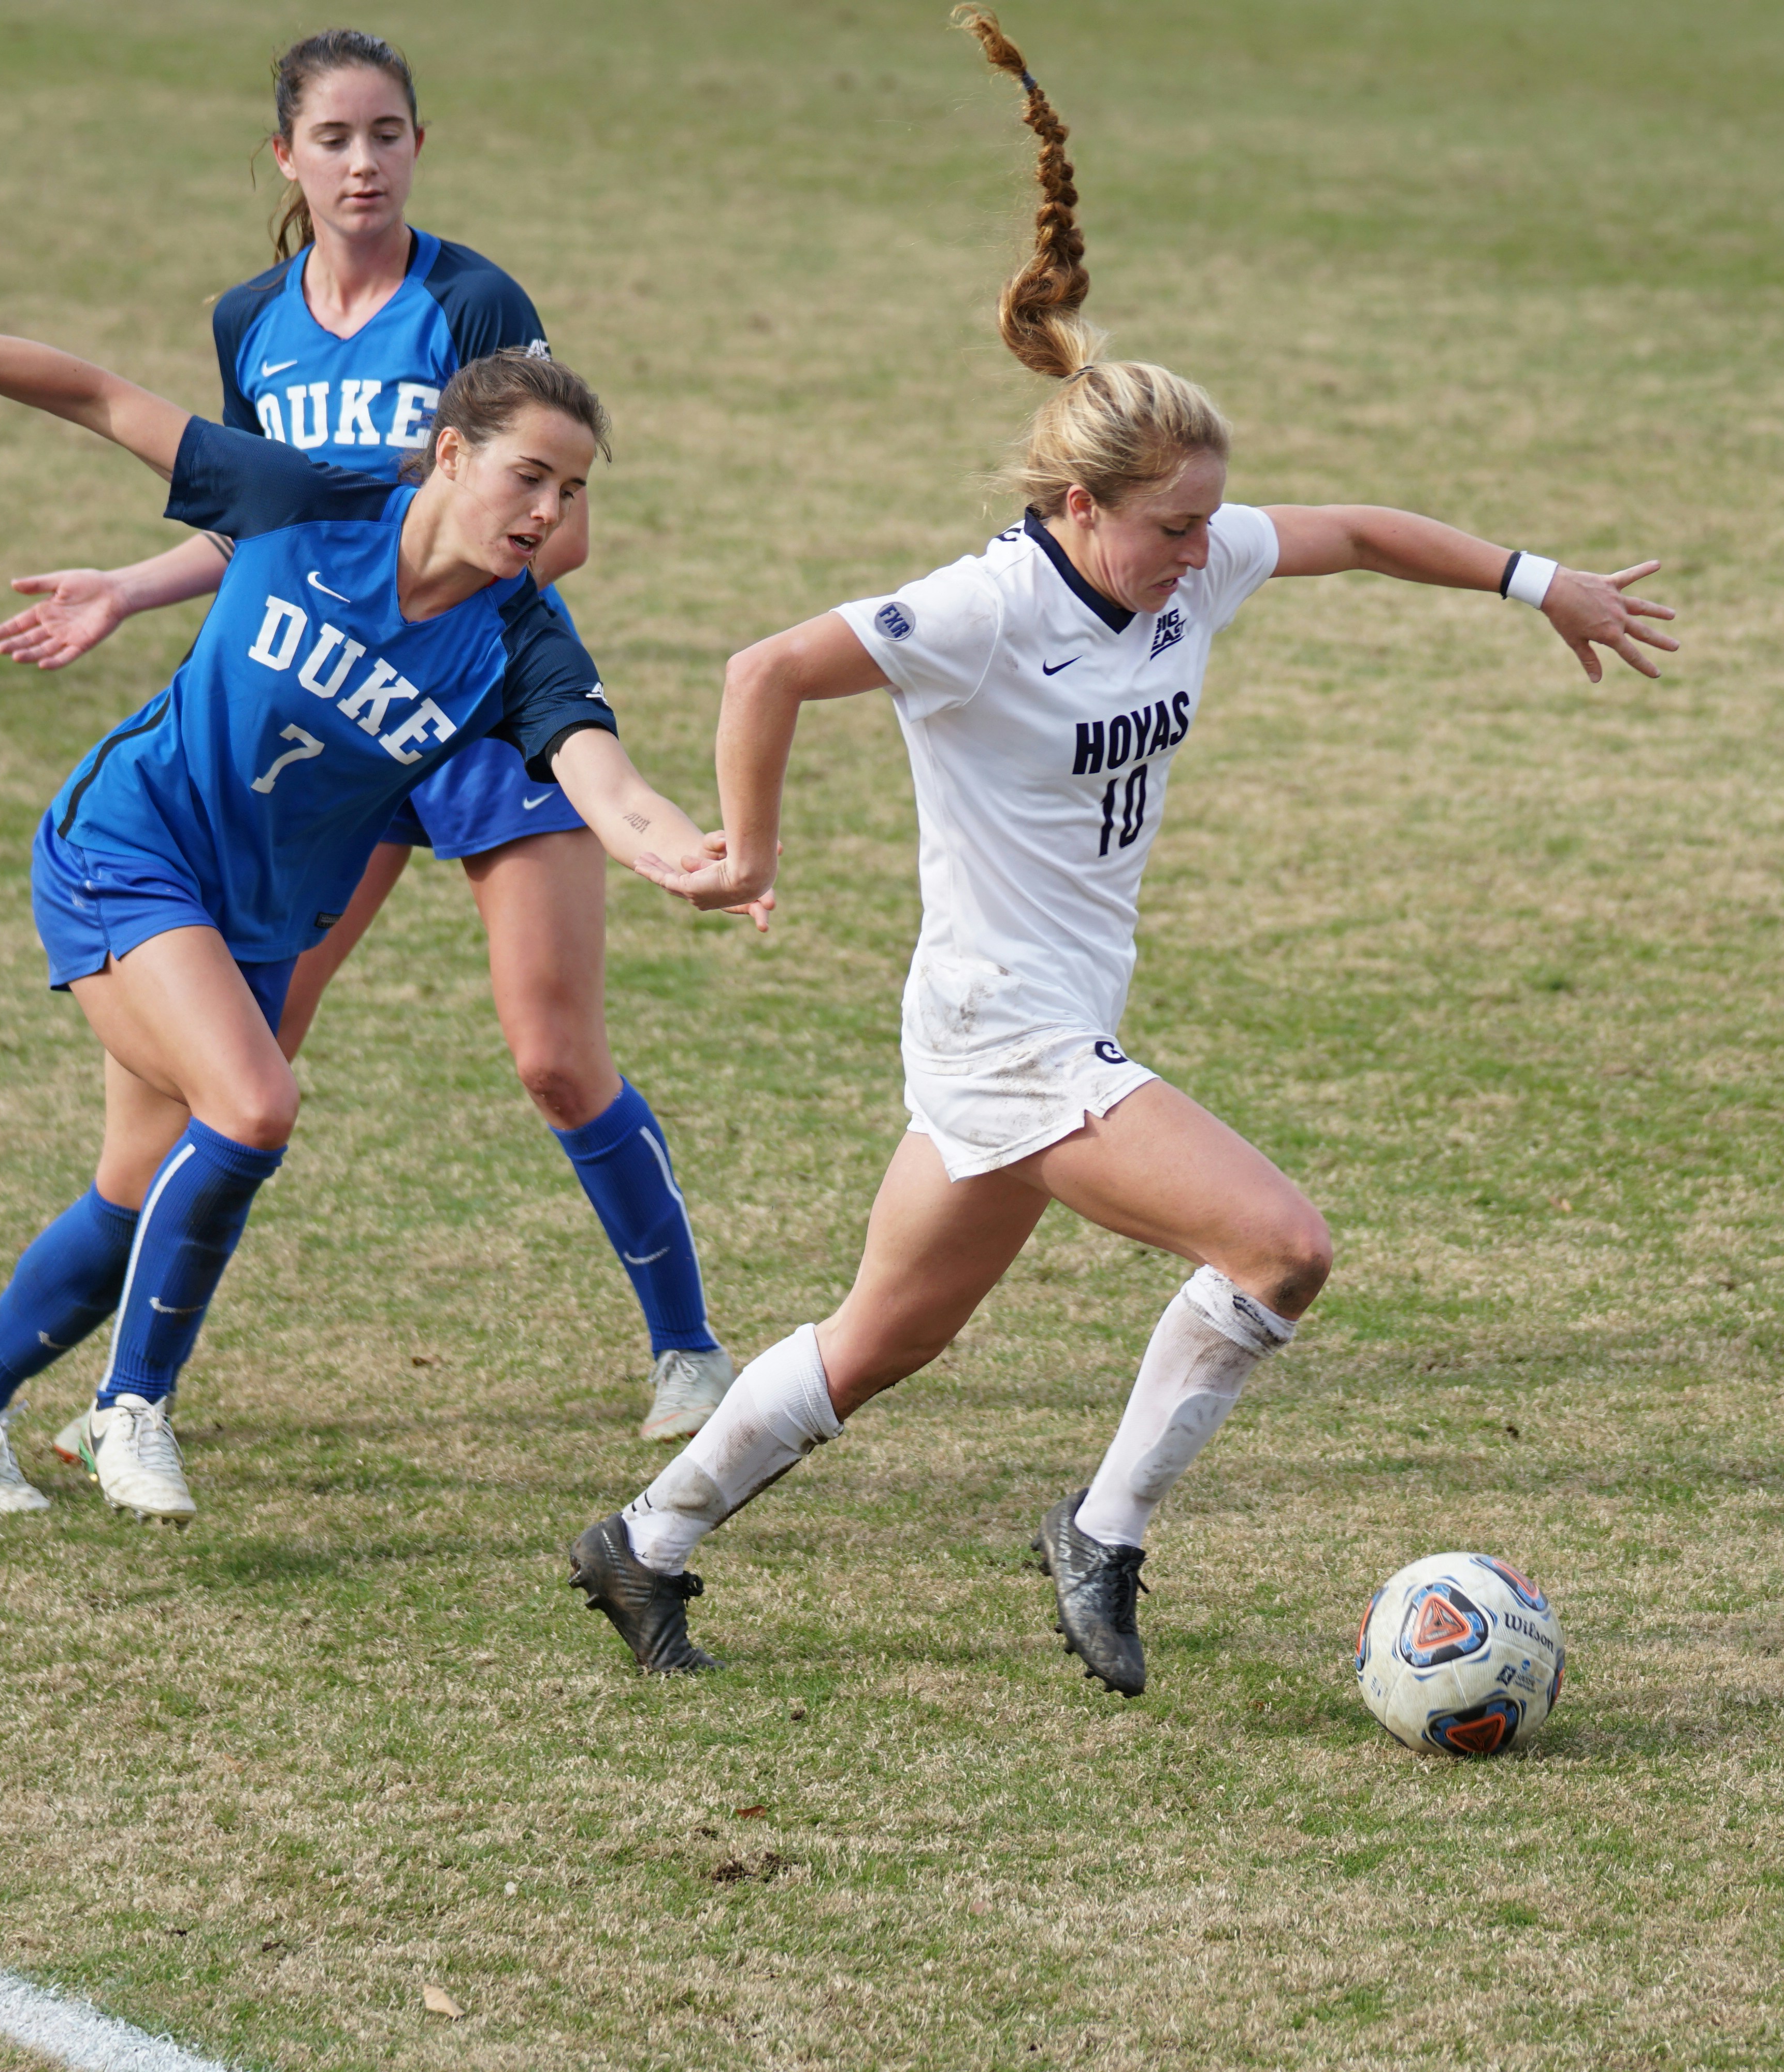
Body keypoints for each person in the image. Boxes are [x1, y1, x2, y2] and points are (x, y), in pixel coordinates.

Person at [559, 8, 1677, 1688]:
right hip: (1005, 1027)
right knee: (1281, 1247)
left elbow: (1359, 533)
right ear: (1080, 508)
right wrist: (745, 856)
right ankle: (1104, 1530)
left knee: (883, 1339)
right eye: (1171, 528)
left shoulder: (1191, 564)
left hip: (1043, 1014)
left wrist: (1538, 583)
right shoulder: (984, 611)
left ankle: (642, 1542)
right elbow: (764, 668)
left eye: (1209, 521)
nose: (1201, 552)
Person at [0, 274, 760, 1523]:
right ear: (450, 456)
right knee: (255, 1103)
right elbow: (98, 396)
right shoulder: (304, 499)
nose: (551, 512)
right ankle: (131, 1406)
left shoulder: (522, 639)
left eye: (575, 489)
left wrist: (690, 857)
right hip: (130, 846)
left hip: (266, 917)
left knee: (138, 1191)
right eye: (531, 477)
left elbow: (605, 779)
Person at [0, 30, 736, 1449]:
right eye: (334, 138)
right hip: (339, 718)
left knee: (553, 1054)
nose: (363, 162)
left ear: (419, 146)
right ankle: (129, 1393)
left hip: (468, 705)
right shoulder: (250, 321)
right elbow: (262, 521)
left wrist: (458, 613)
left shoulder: (473, 300)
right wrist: (130, 586)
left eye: (387, 133)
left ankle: (689, 1353)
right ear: (285, 157)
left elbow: (552, 524)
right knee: (246, 1064)